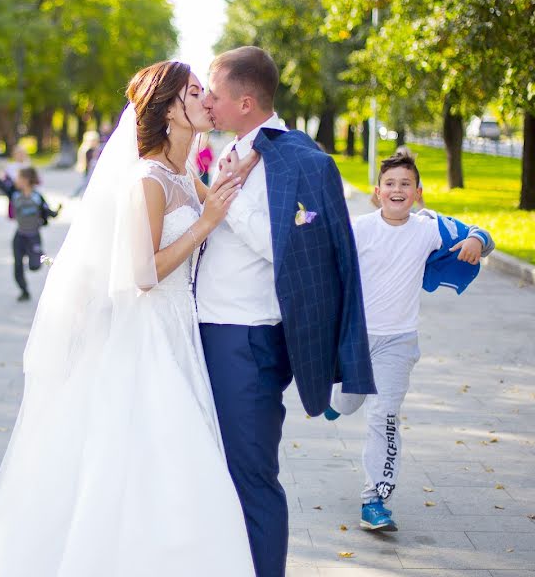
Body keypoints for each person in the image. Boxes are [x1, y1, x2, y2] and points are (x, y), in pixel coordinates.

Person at [0, 61, 262, 577]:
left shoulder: (185, 171)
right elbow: (141, 273)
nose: (208, 98)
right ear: (167, 110)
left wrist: (236, 176)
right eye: (194, 92)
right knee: (159, 453)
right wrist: (204, 225)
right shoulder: (148, 178)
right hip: (146, 333)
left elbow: (222, 203)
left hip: (179, 327)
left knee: (170, 463)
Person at [198, 46, 375, 577]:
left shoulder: (302, 161)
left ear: (245, 102)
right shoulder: (230, 153)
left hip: (246, 340)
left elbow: (298, 252)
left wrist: (227, 202)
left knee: (252, 476)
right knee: (214, 470)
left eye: (215, 92)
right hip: (204, 332)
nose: (207, 100)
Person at [325, 150, 495, 532]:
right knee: (350, 402)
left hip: (397, 344)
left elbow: (483, 235)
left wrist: (476, 242)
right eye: (390, 184)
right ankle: (336, 402)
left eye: (405, 184)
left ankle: (375, 499)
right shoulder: (361, 228)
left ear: (417, 193)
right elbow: (327, 253)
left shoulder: (427, 228)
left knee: (383, 415)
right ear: (377, 192)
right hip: (356, 339)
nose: (397, 190)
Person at [0, 166, 61, 301]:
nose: (16, 180)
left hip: (34, 236)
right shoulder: (14, 194)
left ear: (26, 180)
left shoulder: (37, 196)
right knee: (17, 266)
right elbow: (0, 184)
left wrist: (56, 212)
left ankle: (41, 256)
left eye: (18, 178)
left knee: (35, 266)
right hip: (20, 236)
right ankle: (24, 291)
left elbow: (47, 211)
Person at [72, 130, 101, 197]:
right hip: (87, 170)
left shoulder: (96, 149)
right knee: (85, 183)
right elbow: (85, 162)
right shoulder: (86, 150)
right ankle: (77, 194)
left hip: (92, 170)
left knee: (86, 183)